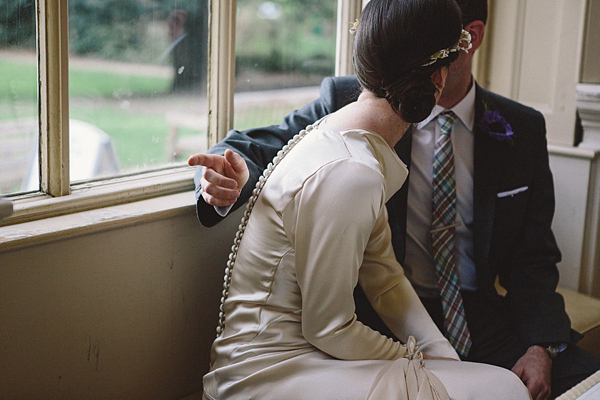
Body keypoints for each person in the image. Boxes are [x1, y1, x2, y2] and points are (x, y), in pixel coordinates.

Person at [190, 1, 600, 399]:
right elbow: (330, 326)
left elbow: (385, 273)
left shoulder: (516, 127)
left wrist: (453, 355)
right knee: (504, 391)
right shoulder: (352, 157)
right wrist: (229, 175)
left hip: (476, 314)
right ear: (437, 74)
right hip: (302, 355)